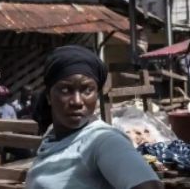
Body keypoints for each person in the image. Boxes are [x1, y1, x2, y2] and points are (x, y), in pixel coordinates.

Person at [27, 46, 163, 189]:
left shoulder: (104, 141)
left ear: (97, 95)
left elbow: (149, 186)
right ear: (49, 96)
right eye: (66, 90)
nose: (77, 101)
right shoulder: (52, 135)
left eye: (87, 90)